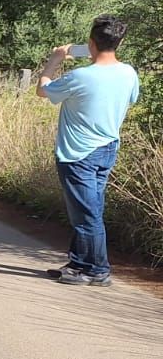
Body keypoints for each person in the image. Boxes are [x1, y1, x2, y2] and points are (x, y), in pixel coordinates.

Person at [37, 16, 140, 286]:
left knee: (86, 214)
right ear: (120, 42)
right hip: (107, 148)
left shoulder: (79, 76)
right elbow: (131, 98)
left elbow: (42, 90)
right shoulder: (129, 73)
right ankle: (79, 262)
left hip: (77, 153)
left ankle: (97, 270)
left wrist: (55, 59)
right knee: (90, 208)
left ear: (91, 43)